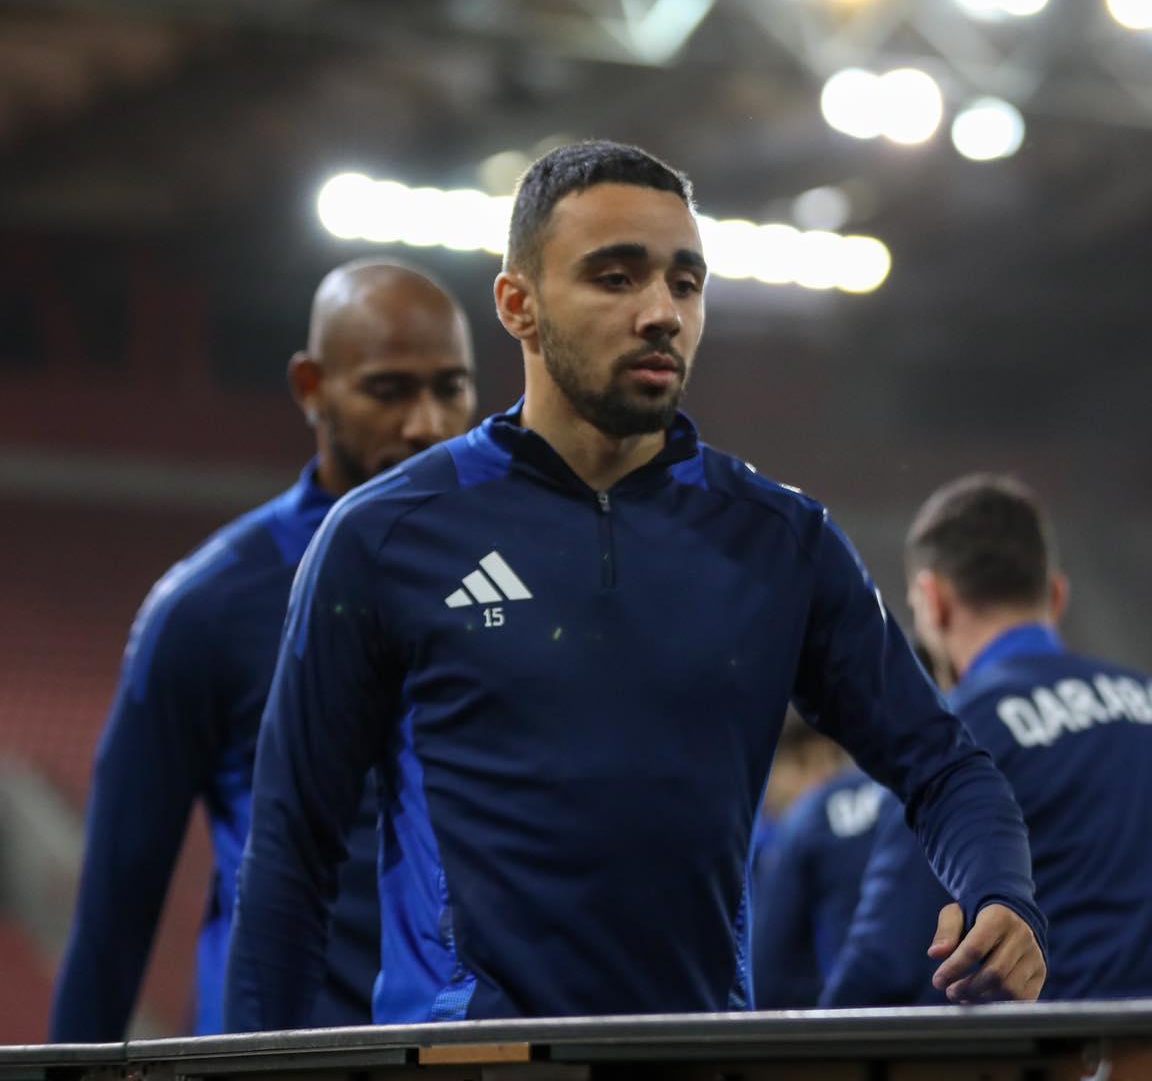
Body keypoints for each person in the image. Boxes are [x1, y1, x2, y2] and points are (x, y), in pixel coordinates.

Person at [225, 141, 1046, 1030]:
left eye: (685, 284)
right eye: (615, 278)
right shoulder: (385, 536)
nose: (661, 313)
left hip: (691, 1060)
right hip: (471, 1064)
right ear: (518, 304)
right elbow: (291, 854)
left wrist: (1000, 892)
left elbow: (946, 767)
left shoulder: (780, 540)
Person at [50, 261, 476, 1041]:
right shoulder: (208, 605)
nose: (427, 424)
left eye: (451, 388)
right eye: (388, 390)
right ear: (312, 386)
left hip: (463, 1048)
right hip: (277, 1052)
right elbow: (118, 898)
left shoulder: (508, 581)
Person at [822, 474, 1152, 1006]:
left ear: (932, 601)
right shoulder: (1144, 695)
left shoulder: (953, 735)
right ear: (1057, 595)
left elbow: (885, 960)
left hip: (1065, 1044)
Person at [752, 732, 883, 1009]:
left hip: (841, 1016)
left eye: (833, 758)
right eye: (802, 763)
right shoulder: (756, 845)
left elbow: (769, 975)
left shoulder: (807, 820)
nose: (822, 775)